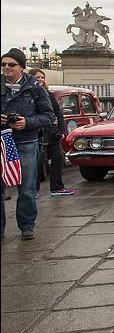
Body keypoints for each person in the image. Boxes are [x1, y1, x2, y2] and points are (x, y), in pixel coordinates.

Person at [1, 48, 55, 240]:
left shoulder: (35, 88)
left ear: (22, 68)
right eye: (3, 64)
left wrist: (27, 122)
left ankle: (26, 225)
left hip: (26, 142)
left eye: (11, 64)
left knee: (26, 187)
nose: (6, 68)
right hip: (1, 143)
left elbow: (49, 116)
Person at [29, 69, 75, 197]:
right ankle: (34, 190)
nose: (40, 79)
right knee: (36, 164)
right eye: (37, 77)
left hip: (52, 133)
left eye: (42, 77)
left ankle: (57, 188)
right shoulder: (27, 94)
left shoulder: (49, 95)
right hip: (36, 134)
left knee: (58, 159)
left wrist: (61, 130)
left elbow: (58, 113)